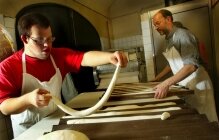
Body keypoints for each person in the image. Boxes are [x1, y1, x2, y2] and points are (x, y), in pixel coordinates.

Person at [0, 13, 128, 137]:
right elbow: (4, 107)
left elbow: (84, 58)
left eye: (50, 39)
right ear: (24, 39)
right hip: (28, 132)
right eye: (40, 41)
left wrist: (110, 57)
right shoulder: (8, 67)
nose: (47, 45)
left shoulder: (58, 56)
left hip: (56, 124)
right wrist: (28, 99)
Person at [151, 9, 218, 122]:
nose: (156, 27)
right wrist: (155, 80)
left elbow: (191, 65)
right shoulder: (169, 40)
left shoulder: (182, 35)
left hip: (198, 82)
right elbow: (170, 65)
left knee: (208, 121)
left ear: (168, 19)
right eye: (154, 25)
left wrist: (166, 83)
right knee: (196, 121)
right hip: (186, 84)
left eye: (157, 23)